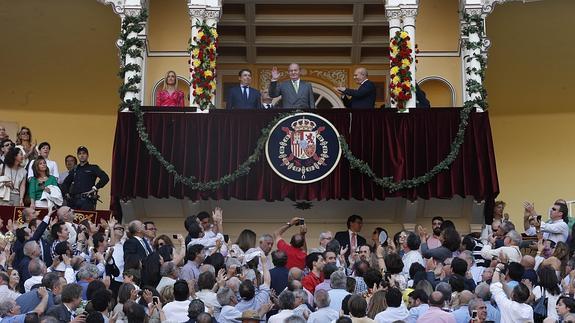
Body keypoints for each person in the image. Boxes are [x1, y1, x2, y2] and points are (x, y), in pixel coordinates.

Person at [61, 146, 109, 211]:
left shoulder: (93, 168)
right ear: (77, 156)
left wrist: (95, 188)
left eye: (84, 153)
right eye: (80, 154)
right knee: (72, 221)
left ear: (87, 155)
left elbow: (105, 178)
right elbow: (65, 183)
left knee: (86, 220)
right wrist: (66, 193)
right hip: (74, 201)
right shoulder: (75, 169)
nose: (82, 155)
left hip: (87, 201)